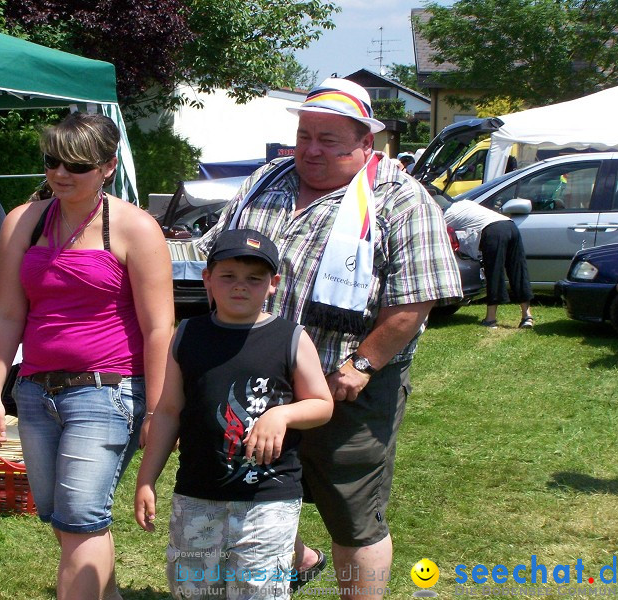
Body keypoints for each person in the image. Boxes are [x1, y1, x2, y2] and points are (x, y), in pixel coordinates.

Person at [198, 78, 462, 600]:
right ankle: (300, 558)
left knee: (352, 513)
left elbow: (416, 300)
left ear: (366, 142)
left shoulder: (400, 198)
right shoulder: (265, 179)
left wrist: (362, 366)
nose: (311, 150)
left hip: (346, 385)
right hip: (256, 375)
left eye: (329, 140)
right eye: (304, 136)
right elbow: (214, 255)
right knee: (250, 485)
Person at [0, 112, 174, 600]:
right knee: (66, 521)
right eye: (52, 161)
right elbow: (5, 314)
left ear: (108, 167)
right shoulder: (23, 222)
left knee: (81, 519)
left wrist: (156, 410)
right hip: (36, 391)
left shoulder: (136, 227)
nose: (61, 174)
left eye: (77, 165)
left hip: (108, 393)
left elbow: (158, 328)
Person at [135, 228, 334, 600]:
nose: (240, 287)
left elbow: (322, 404)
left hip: (268, 495)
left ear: (273, 284)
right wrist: (147, 480)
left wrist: (283, 415)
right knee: (193, 589)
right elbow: (168, 412)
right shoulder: (187, 334)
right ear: (207, 278)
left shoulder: (289, 336)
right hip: (197, 492)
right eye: (228, 276)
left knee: (257, 589)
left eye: (254, 279)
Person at [436, 196, 534, 328]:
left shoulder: (445, 216)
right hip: (510, 225)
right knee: (518, 269)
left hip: (493, 231)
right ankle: (527, 316)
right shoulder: (465, 203)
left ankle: (491, 319)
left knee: (494, 272)